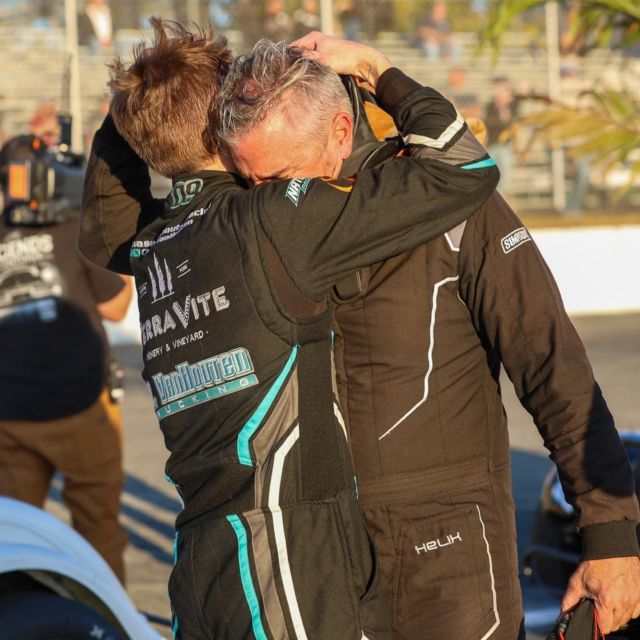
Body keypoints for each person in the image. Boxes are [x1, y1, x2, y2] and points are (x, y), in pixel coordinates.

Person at [79, 20, 498, 639]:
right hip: (287, 559)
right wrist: (375, 67)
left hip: (199, 567)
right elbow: (465, 168)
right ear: (225, 117)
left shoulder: (149, 245)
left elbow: (99, 228)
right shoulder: (271, 220)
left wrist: (137, 104)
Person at [291, 33, 640, 639]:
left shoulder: (456, 201)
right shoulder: (259, 218)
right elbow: (115, 239)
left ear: (338, 131)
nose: (269, 185)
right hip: (317, 549)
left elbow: (554, 366)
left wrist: (610, 537)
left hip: (449, 553)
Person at [0, 133, 131, 584]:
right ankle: (106, 623)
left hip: (10, 415)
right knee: (99, 531)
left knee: (14, 534)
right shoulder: (71, 229)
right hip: (82, 407)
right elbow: (116, 307)